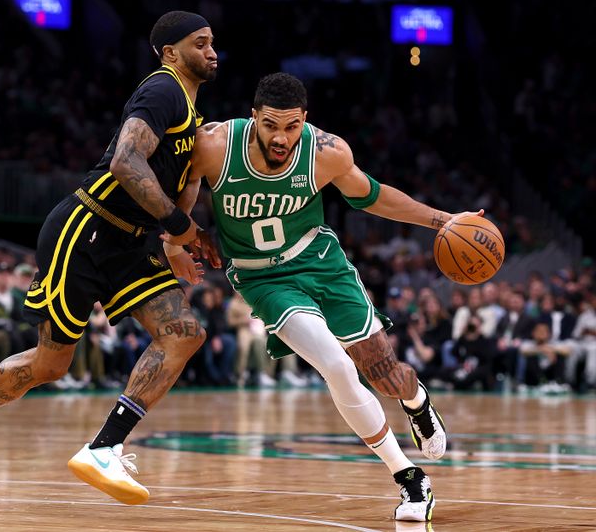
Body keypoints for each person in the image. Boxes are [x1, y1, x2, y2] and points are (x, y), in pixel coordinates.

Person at [0, 10, 220, 506]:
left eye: (214, 42)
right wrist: (179, 228)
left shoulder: (190, 108)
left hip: (133, 242)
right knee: (50, 364)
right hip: (87, 228)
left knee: (185, 334)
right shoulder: (163, 88)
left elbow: (175, 182)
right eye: (201, 42)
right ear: (171, 51)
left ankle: (105, 446)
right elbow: (126, 163)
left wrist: (173, 244)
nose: (212, 51)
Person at [172, 73, 482, 521]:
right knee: (336, 366)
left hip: (321, 262)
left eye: (292, 127)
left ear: (305, 121)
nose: (281, 138)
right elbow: (186, 187)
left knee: (385, 375)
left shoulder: (326, 153)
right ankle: (410, 479)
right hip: (263, 279)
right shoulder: (215, 144)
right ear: (253, 116)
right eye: (271, 126)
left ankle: (416, 402)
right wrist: (175, 241)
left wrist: (442, 220)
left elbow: (372, 196)